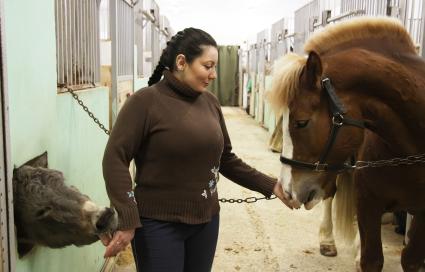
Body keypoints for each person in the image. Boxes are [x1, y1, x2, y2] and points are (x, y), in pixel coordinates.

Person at [101, 27, 291, 272]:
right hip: (158, 225)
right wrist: (127, 218)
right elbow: (115, 158)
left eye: (215, 68)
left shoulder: (210, 103)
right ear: (182, 62)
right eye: (207, 66)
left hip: (206, 221)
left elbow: (227, 160)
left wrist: (271, 185)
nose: (213, 75)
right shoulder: (145, 102)